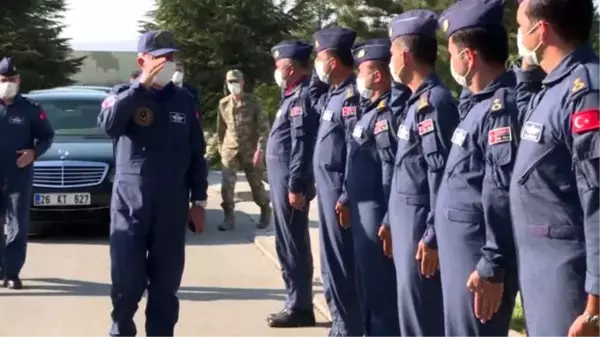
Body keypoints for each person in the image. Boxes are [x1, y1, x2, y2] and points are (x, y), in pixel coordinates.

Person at [97, 30, 208, 337]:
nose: (167, 64)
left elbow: (197, 153)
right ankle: (121, 330)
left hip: (171, 204)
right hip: (130, 202)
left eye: (171, 58)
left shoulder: (184, 101)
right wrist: (139, 88)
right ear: (142, 60)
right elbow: (108, 126)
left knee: (165, 284)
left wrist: (199, 202)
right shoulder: (122, 94)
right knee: (127, 281)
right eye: (160, 58)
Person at [510, 0, 600, 336]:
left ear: (541, 30)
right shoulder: (552, 88)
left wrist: (595, 308)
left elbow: (597, 199)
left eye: (521, 26)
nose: (518, 35)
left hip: (571, 282)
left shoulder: (585, 90)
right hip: (542, 274)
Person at [434, 1, 521, 336]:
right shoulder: (476, 105)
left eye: (453, 52)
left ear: (468, 57)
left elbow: (500, 190)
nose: (450, 61)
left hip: (477, 257)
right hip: (461, 252)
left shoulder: (501, 109)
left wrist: (492, 264)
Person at [387, 9, 460, 337]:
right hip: (407, 226)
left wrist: (432, 235)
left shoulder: (435, 104)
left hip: (420, 230)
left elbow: (440, 174)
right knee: (409, 314)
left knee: (422, 317)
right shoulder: (415, 103)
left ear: (404, 56)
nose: (390, 60)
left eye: (391, 53)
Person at [311, 27, 363, 337]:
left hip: (340, 194)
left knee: (342, 266)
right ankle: (340, 326)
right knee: (331, 266)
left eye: (320, 58)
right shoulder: (334, 94)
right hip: (328, 190)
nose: (316, 64)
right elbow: (313, 98)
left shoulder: (351, 97)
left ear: (332, 61)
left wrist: (345, 195)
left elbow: (354, 152)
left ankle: (348, 329)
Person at [347, 38, 400, 337]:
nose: (358, 79)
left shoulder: (386, 115)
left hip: (377, 218)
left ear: (377, 75)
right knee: (367, 289)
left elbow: (390, 170)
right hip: (363, 216)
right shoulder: (370, 111)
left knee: (381, 295)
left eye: (362, 71)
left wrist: (389, 219)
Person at [266, 40, 319, 328]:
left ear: (290, 67)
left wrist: (297, 185)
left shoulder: (301, 97)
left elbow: (301, 145)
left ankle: (300, 306)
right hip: (282, 180)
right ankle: (293, 300)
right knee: (285, 243)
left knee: (294, 244)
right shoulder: (290, 95)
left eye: (278, 66)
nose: (276, 71)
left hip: (290, 183)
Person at [0, 57, 54, 290]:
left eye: (12, 79)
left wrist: (34, 153)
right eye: (3, 79)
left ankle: (12, 272)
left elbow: (46, 136)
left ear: (19, 80)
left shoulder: (30, 109)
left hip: (17, 175)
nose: (8, 83)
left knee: (18, 226)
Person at [217, 68, 271, 231]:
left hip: (251, 150)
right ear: (226, 84)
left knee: (256, 185)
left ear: (243, 83)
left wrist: (260, 150)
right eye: (230, 82)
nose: (233, 85)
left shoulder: (254, 103)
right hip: (230, 148)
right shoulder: (223, 103)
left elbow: (264, 129)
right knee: (227, 185)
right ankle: (228, 217)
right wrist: (221, 149)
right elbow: (221, 129)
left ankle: (265, 209)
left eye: (236, 81)